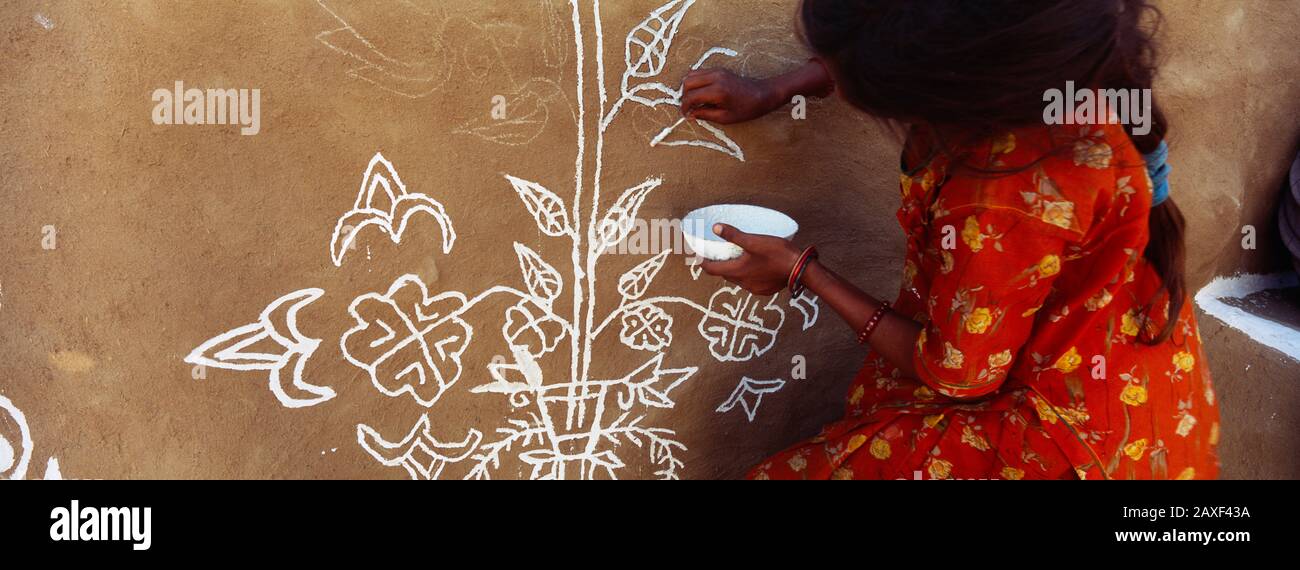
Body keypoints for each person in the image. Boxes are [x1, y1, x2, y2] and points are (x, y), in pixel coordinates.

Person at [684, 0, 1219, 480]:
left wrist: (802, 271)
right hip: (1146, 392)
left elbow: (957, 376)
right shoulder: (1047, 68)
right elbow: (897, 27)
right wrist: (777, 88)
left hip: (1063, 443)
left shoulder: (1000, 200)